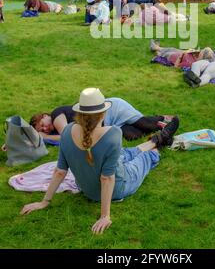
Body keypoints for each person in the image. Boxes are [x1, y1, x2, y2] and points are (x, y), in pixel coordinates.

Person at [20, 88, 179, 234]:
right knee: (146, 157)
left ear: (79, 113)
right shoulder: (113, 133)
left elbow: (60, 171)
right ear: (103, 113)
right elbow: (107, 178)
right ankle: (158, 144)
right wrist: (105, 215)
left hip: (87, 190)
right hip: (117, 188)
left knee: (124, 154)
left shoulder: (67, 131)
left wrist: (44, 201)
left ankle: (155, 140)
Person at [30, 97, 173, 142]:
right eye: (41, 130)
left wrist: (45, 136)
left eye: (42, 125)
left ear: (45, 116)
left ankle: (161, 119)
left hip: (110, 110)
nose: (44, 128)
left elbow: (66, 135)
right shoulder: (52, 124)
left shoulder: (56, 114)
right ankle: (158, 127)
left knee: (145, 125)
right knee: (132, 136)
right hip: (108, 124)